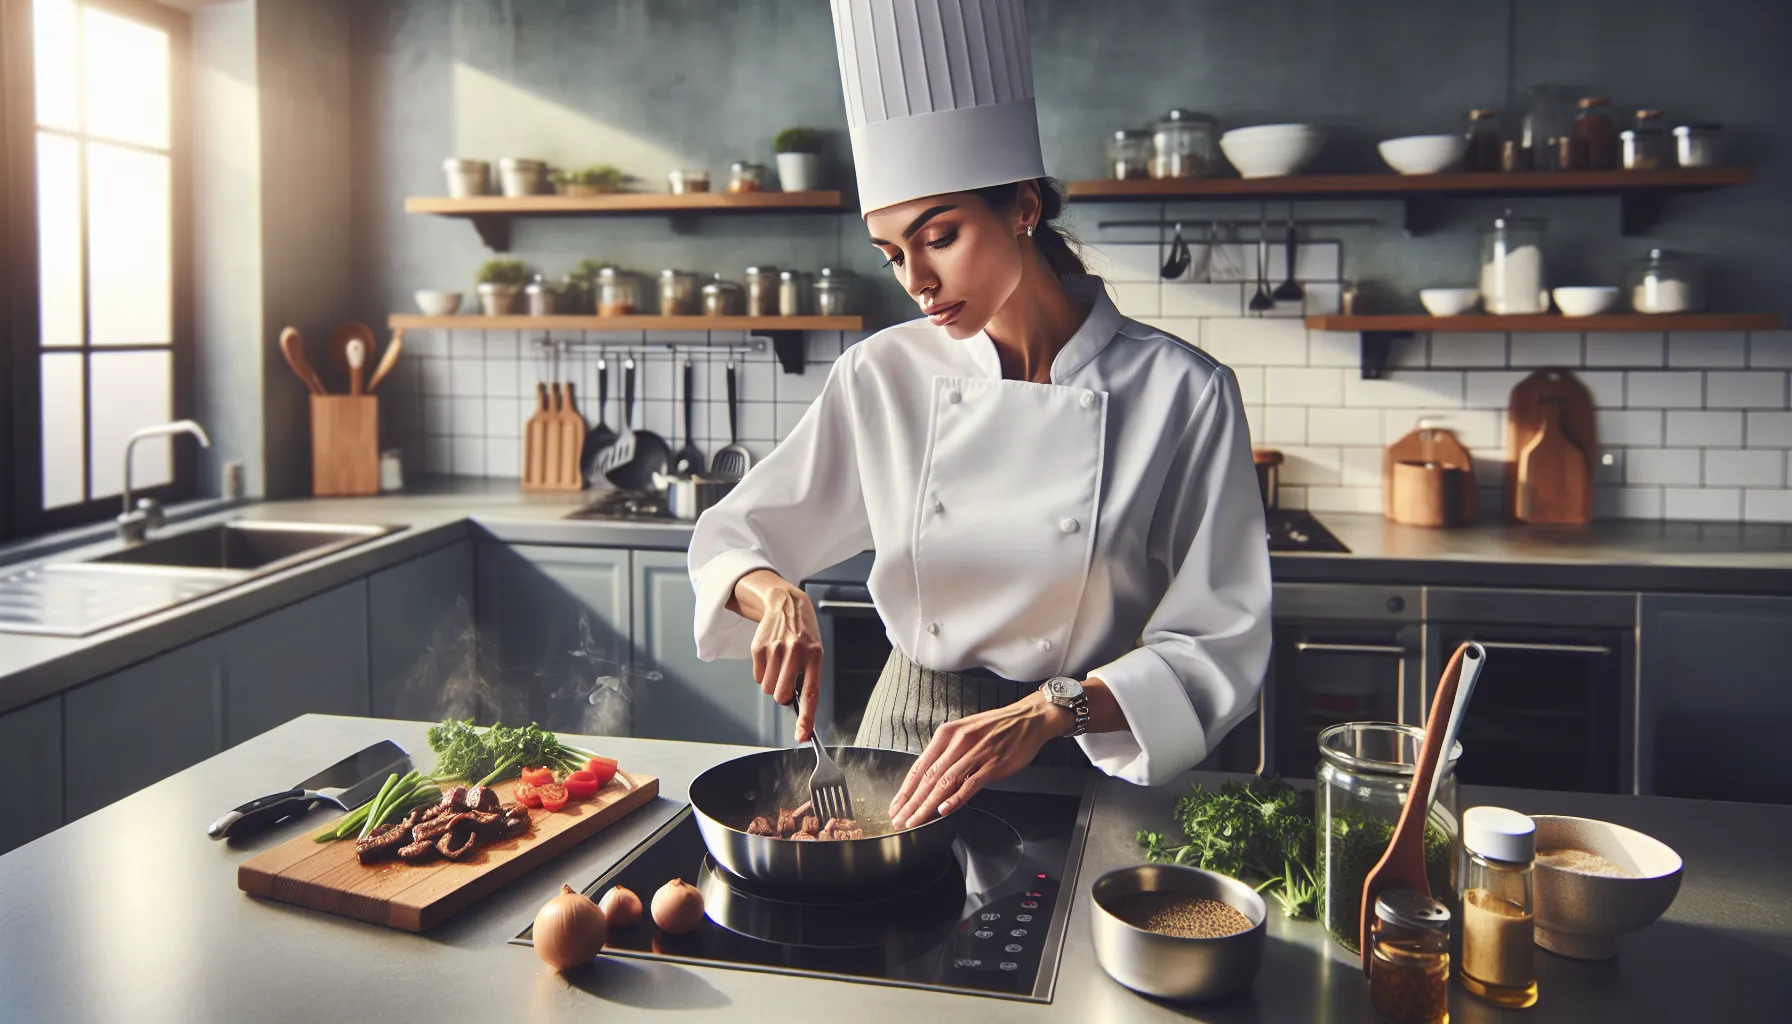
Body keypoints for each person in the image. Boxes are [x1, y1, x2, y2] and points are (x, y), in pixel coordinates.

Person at [689, 0, 1270, 831]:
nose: (916, 279)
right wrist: (776, 594)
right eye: (893, 253)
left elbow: (1222, 643)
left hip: (1089, 755)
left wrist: (1049, 711)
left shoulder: (1183, 392)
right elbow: (729, 540)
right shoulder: (883, 374)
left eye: (940, 235)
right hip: (902, 758)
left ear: (1023, 207)